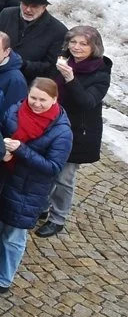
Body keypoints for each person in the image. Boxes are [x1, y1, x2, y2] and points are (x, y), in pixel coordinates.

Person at [0, 78, 72, 298]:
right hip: (4, 180)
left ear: (54, 99)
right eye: (33, 97)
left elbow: (53, 167)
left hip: (29, 190)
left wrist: (21, 150)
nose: (36, 104)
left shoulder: (62, 131)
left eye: (43, 100)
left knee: (13, 237)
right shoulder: (15, 110)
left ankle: (3, 278)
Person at [39, 26, 111, 237]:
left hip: (78, 132)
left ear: (94, 47)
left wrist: (71, 79)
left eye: (83, 44)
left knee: (64, 177)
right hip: (51, 125)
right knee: (45, 170)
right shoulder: (62, 61)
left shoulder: (100, 73)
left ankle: (58, 217)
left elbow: (87, 102)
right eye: (73, 42)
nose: (76, 47)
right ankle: (42, 208)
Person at [0, 0, 69, 82]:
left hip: (28, 82)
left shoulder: (59, 31)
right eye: (25, 4)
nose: (28, 9)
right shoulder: (7, 14)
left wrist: (23, 64)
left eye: (34, 6)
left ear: (44, 7)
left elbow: (53, 68)